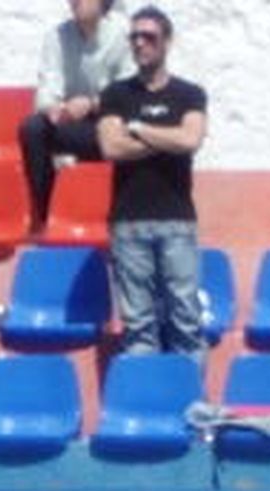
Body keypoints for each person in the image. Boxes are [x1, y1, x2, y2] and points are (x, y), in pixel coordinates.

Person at [96, 5, 207, 362]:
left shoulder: (189, 94)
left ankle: (189, 404)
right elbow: (111, 147)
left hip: (176, 220)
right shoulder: (115, 94)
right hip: (128, 223)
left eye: (149, 37)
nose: (140, 43)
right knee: (138, 327)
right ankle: (148, 407)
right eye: (135, 37)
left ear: (167, 42)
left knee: (186, 322)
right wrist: (166, 141)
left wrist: (139, 129)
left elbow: (190, 141)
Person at [18, 0, 132, 232]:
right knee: (32, 129)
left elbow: (127, 92)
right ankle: (44, 215)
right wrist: (53, 109)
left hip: (109, 123)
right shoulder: (57, 36)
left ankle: (125, 217)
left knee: (130, 134)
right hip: (71, 122)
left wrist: (92, 104)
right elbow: (47, 86)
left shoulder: (122, 36)